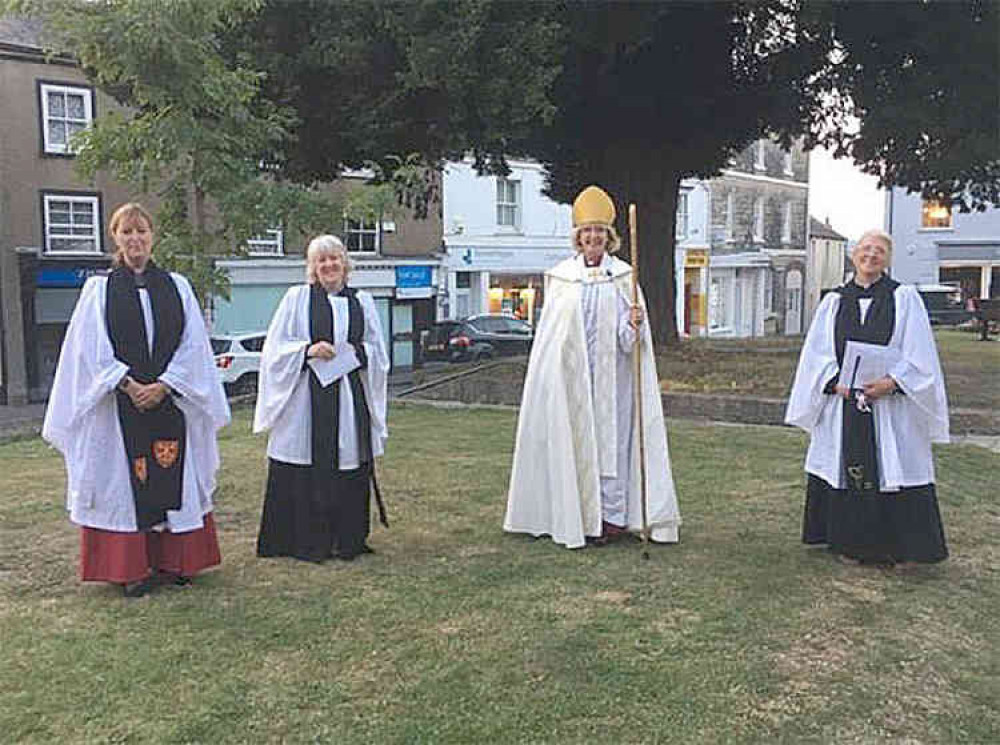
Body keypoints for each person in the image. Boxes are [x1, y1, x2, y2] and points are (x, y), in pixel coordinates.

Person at [42, 203, 230, 597]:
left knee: (174, 478)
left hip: (169, 403)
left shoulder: (177, 287)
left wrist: (164, 384)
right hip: (119, 409)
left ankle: (175, 561)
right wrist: (127, 385)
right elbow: (89, 348)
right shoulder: (99, 290)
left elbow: (193, 344)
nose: (135, 239)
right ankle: (133, 569)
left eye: (141, 231)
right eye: (126, 232)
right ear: (115, 238)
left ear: (152, 236)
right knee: (123, 486)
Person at [504, 185, 681, 549]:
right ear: (578, 237)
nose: (594, 238)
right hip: (572, 382)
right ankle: (577, 517)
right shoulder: (561, 279)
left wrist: (634, 324)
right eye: (588, 232)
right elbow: (552, 338)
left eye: (600, 231)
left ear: (609, 237)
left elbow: (628, 344)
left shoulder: (623, 277)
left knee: (611, 448)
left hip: (613, 383)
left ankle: (611, 520)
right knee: (575, 443)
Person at [785, 228, 949, 567]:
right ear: (853, 254)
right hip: (844, 404)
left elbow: (919, 354)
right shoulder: (833, 302)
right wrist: (836, 383)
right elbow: (816, 355)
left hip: (889, 406)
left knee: (891, 464)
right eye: (865, 249)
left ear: (887, 259)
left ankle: (897, 547)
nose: (871, 256)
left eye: (879, 251)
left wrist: (893, 382)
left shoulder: (904, 299)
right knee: (846, 466)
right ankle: (848, 543)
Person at [254, 235, 390, 562]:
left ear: (345, 264)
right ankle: (301, 540)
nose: (329, 265)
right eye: (321, 260)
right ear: (312, 268)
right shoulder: (296, 299)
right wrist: (306, 350)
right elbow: (274, 349)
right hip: (306, 400)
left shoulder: (363, 301)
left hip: (347, 398)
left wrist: (358, 352)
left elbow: (378, 350)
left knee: (348, 460)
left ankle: (348, 539)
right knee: (306, 461)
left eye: (335, 259)